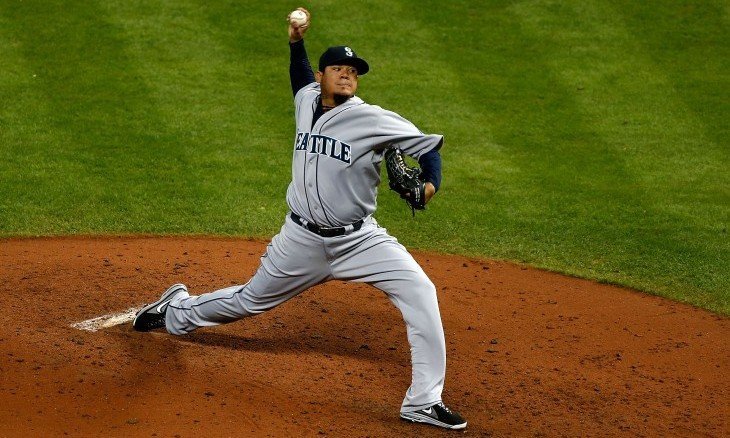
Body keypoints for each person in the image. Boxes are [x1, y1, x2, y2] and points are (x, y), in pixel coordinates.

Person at [133, 7, 467, 430]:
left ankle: (423, 401)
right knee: (250, 300)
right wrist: (296, 41)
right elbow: (299, 76)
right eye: (339, 69)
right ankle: (174, 311)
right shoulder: (307, 99)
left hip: (359, 241)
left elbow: (429, 146)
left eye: (353, 72)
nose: (347, 75)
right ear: (322, 77)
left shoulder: (372, 118)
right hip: (301, 240)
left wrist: (429, 186)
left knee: (421, 291)